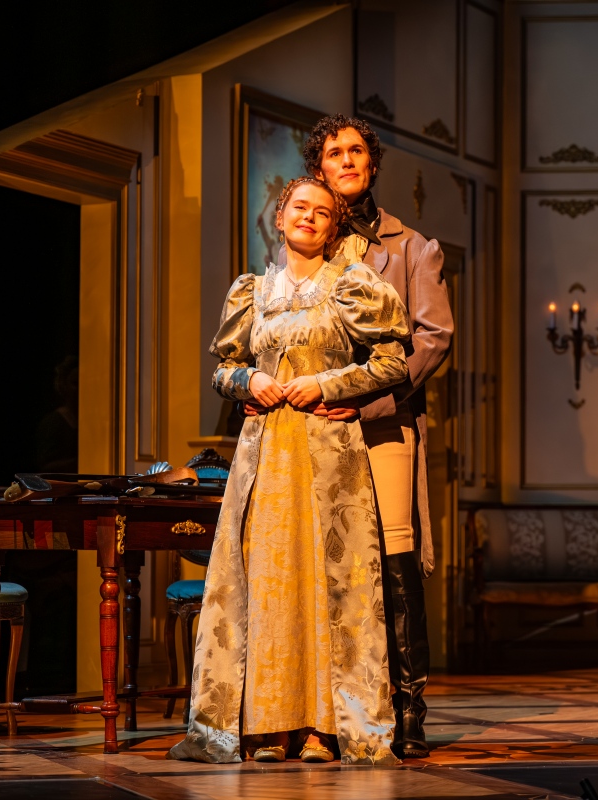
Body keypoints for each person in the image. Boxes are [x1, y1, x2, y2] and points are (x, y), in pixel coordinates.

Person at [168, 176, 410, 765]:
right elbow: (222, 367)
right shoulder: (252, 290)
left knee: (331, 587)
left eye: (322, 213)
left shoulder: (355, 285)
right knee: (271, 581)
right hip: (265, 453)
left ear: (334, 226)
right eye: (299, 208)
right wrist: (247, 379)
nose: (309, 218)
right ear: (280, 218)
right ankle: (267, 726)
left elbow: (394, 359)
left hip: (331, 455)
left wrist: (327, 382)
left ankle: (326, 728)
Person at [247, 114, 453, 758]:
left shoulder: (412, 246)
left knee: (392, 564)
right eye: (333, 151)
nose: (346, 160)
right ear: (318, 164)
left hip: (380, 424)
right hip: (304, 436)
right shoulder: (304, 243)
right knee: (320, 567)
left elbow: (433, 341)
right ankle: (324, 713)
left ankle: (408, 708)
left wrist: (368, 404)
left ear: (372, 163)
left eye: (357, 150)